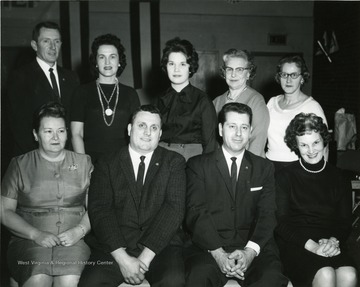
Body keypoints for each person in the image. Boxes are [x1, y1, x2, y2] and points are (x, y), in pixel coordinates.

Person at [78, 105, 186, 287]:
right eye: (141, 126)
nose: (147, 132)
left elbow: (174, 210)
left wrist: (145, 257)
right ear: (129, 129)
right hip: (115, 247)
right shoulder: (106, 162)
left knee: (173, 281)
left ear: (160, 134)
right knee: (91, 283)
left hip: (160, 248)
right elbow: (100, 210)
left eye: (154, 128)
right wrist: (124, 260)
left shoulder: (174, 162)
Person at [185, 102, 288, 287]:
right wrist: (218, 253)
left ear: (250, 131)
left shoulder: (263, 167)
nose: (238, 134)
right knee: (198, 276)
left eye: (244, 127)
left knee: (271, 278)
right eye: (232, 126)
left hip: (253, 246)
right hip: (210, 246)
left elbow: (267, 214)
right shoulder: (198, 166)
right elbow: (196, 213)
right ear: (220, 129)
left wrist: (250, 252)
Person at [1, 102, 93, 287]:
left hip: (73, 240)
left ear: (67, 133)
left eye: (60, 131)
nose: (55, 137)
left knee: (70, 281)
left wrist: (79, 230)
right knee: (37, 279)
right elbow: (5, 212)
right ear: (36, 134)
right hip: (28, 241)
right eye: (48, 131)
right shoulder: (19, 164)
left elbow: (97, 207)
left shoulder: (84, 162)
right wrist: (35, 234)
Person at [275, 113, 357, 287]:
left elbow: (345, 222)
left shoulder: (339, 177)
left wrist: (334, 240)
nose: (311, 150)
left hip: (330, 242)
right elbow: (281, 224)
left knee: (349, 275)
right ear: (295, 145)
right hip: (297, 244)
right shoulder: (284, 177)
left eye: (316, 143)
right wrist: (313, 247)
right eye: (304, 145)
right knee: (325, 274)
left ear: (324, 140)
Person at [6, 21, 80, 157]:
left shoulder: (71, 78)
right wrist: (40, 159)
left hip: (67, 157)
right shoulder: (20, 77)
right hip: (34, 158)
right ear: (35, 45)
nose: (53, 47)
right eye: (46, 41)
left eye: (56, 41)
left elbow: (75, 122)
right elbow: (19, 127)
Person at [71, 33, 140, 164]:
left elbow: (136, 135)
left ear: (119, 61)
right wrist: (84, 164)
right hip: (91, 162)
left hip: (123, 161)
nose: (107, 62)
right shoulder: (82, 92)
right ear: (95, 62)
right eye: (102, 57)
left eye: (112, 57)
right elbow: (76, 134)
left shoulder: (130, 93)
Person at [157, 37, 217, 161]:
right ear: (166, 66)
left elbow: (210, 143)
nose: (176, 69)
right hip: (162, 157)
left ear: (190, 67)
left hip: (192, 159)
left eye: (182, 64)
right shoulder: (160, 99)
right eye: (171, 64)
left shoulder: (202, 100)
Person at [266, 55, 328, 172]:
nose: (288, 80)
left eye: (294, 75)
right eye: (284, 75)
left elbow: (324, 147)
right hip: (270, 165)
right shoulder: (271, 102)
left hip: (298, 168)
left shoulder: (312, 106)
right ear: (279, 77)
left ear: (302, 78)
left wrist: (320, 175)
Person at [213, 49, 269, 157]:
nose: (233, 74)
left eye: (239, 70)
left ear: (248, 74)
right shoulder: (217, 101)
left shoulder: (256, 100)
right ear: (224, 73)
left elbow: (258, 141)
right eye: (229, 69)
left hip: (248, 164)